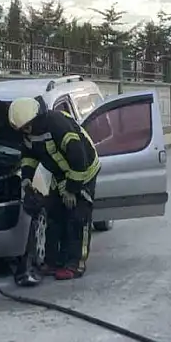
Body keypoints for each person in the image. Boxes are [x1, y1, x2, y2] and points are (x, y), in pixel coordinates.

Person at [8, 96, 100, 280]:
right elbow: (29, 156)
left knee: (78, 218)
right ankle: (54, 262)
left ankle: (75, 264)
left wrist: (73, 190)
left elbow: (78, 158)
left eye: (27, 126)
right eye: (22, 129)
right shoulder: (29, 131)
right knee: (55, 216)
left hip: (83, 173)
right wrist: (26, 180)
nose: (26, 131)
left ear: (35, 118)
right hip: (60, 175)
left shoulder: (58, 125)